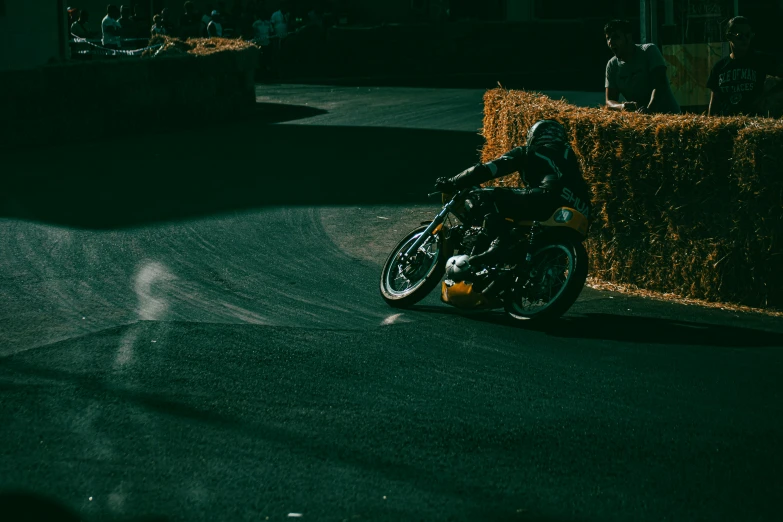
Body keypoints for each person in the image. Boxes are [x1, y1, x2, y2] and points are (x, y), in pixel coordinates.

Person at [433, 120, 592, 269]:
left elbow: (489, 169)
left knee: (482, 195)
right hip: (580, 211)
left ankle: (499, 241)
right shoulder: (570, 160)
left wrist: (453, 181)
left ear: (534, 137)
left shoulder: (530, 151)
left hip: (547, 197)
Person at [707, 16, 783, 117]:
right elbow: (714, 102)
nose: (745, 39)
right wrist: (710, 122)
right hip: (728, 124)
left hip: (754, 123)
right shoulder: (719, 67)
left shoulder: (761, 60)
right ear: (729, 37)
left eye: (748, 35)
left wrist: (769, 97)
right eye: (740, 36)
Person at [604, 19, 680, 114]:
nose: (611, 42)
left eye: (616, 37)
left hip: (668, 118)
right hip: (640, 120)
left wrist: (649, 110)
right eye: (608, 38)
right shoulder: (612, 65)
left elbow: (660, 85)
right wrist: (622, 106)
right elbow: (609, 101)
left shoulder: (649, 51)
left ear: (628, 37)